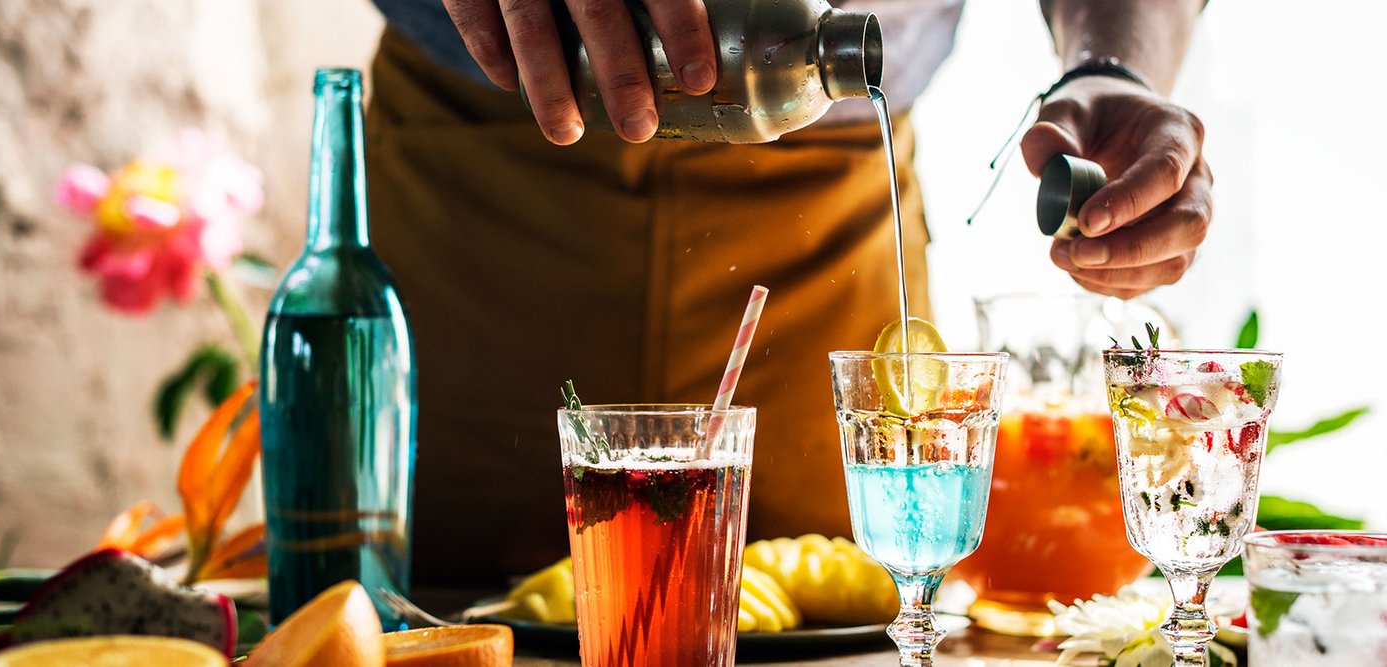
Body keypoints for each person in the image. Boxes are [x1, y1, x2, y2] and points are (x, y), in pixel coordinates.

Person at [366, 0, 1212, 586]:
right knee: (449, 607)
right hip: (487, 164)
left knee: (857, 606)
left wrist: (1115, 64)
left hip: (829, 188)